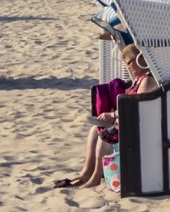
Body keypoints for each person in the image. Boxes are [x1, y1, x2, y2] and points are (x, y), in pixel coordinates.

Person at [54, 44, 157, 189]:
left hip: (139, 125)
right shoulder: (140, 79)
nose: (128, 67)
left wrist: (112, 115)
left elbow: (133, 106)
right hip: (131, 121)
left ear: (141, 59)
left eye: (129, 62)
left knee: (105, 135)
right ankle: (85, 173)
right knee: (95, 129)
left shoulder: (147, 81)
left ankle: (96, 177)